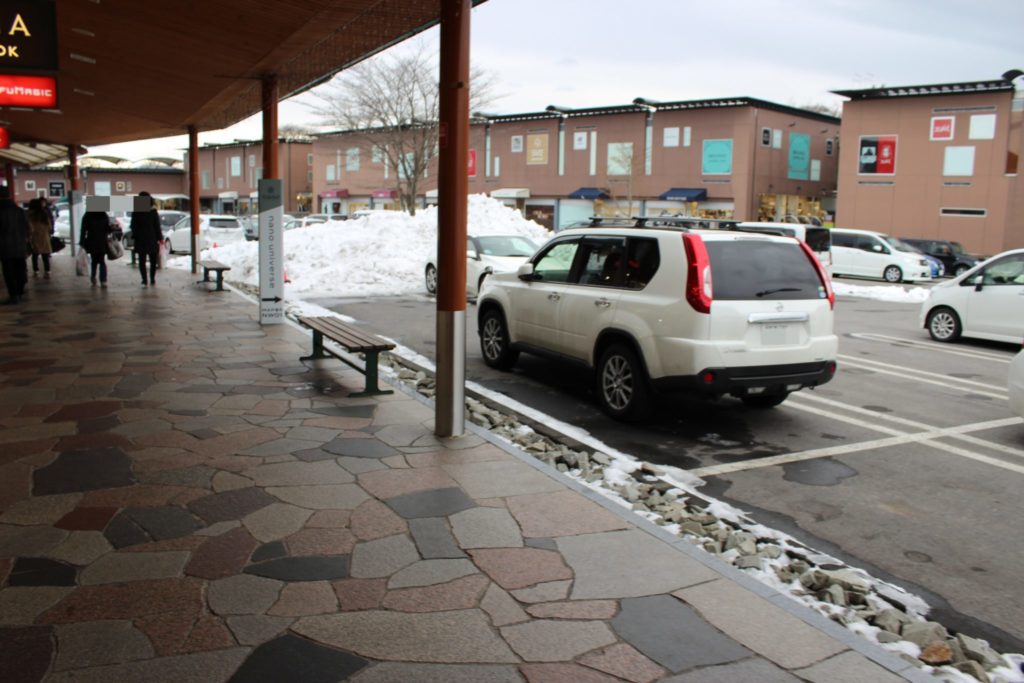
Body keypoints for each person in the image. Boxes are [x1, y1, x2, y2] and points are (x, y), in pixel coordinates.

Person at [0, 185, 30, 304]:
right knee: (20, 269)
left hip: (5, 247)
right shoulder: (20, 211)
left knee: (9, 271)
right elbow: (27, 228)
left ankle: (14, 295)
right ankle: (20, 291)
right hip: (20, 245)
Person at [130, 191, 163, 286]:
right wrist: (160, 238)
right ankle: (152, 279)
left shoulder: (136, 212)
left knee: (142, 261)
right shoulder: (153, 212)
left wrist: (135, 235)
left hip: (140, 240)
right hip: (152, 239)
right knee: (153, 261)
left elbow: (133, 226)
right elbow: (157, 226)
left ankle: (144, 280)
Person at [79, 210, 112, 287]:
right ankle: (103, 281)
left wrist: (82, 242)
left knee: (94, 261)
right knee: (102, 261)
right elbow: (108, 228)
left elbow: (83, 230)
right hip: (102, 241)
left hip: (92, 241)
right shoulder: (103, 215)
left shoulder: (88, 215)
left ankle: (93, 277)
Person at [27, 198, 54, 278]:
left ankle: (36, 270)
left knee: (35, 254)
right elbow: (49, 226)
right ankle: (47, 271)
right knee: (45, 255)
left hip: (34, 236)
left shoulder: (29, 214)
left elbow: (29, 227)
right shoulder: (44, 213)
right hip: (44, 236)